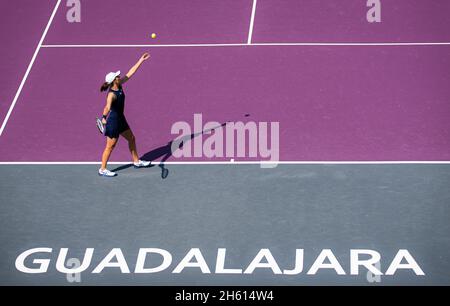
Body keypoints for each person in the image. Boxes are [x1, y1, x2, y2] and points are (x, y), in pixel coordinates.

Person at [98, 53, 151, 177]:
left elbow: (130, 73)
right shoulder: (111, 94)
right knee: (110, 146)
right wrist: (104, 118)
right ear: (113, 81)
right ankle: (102, 169)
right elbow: (107, 107)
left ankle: (136, 161)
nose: (119, 76)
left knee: (131, 138)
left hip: (121, 119)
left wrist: (140, 60)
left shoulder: (119, 84)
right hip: (113, 122)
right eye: (117, 76)